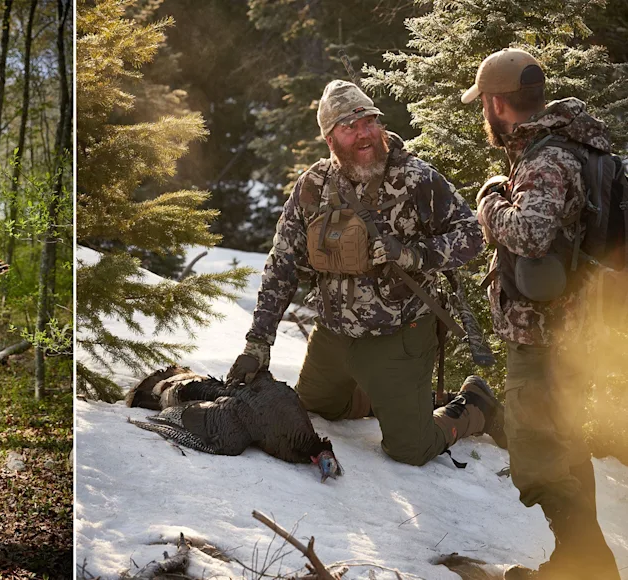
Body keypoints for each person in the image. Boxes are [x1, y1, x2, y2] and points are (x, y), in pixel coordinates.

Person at [228, 79, 503, 468]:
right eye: (349, 127)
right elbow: (282, 264)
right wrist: (259, 342)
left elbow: (472, 235)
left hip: (400, 334)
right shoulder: (313, 186)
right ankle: (387, 395)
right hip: (333, 335)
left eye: (369, 122)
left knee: (409, 449)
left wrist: (413, 255)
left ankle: (475, 403)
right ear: (330, 138)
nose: (364, 134)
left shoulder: (415, 179)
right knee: (316, 409)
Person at [467, 48, 620, 579]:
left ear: (496, 103)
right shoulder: (568, 145)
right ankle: (583, 563)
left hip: (545, 334)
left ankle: (584, 564)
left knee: (536, 451)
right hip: (570, 327)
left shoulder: (546, 159)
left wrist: (488, 201)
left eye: (482, 104)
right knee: (567, 442)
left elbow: (530, 234)